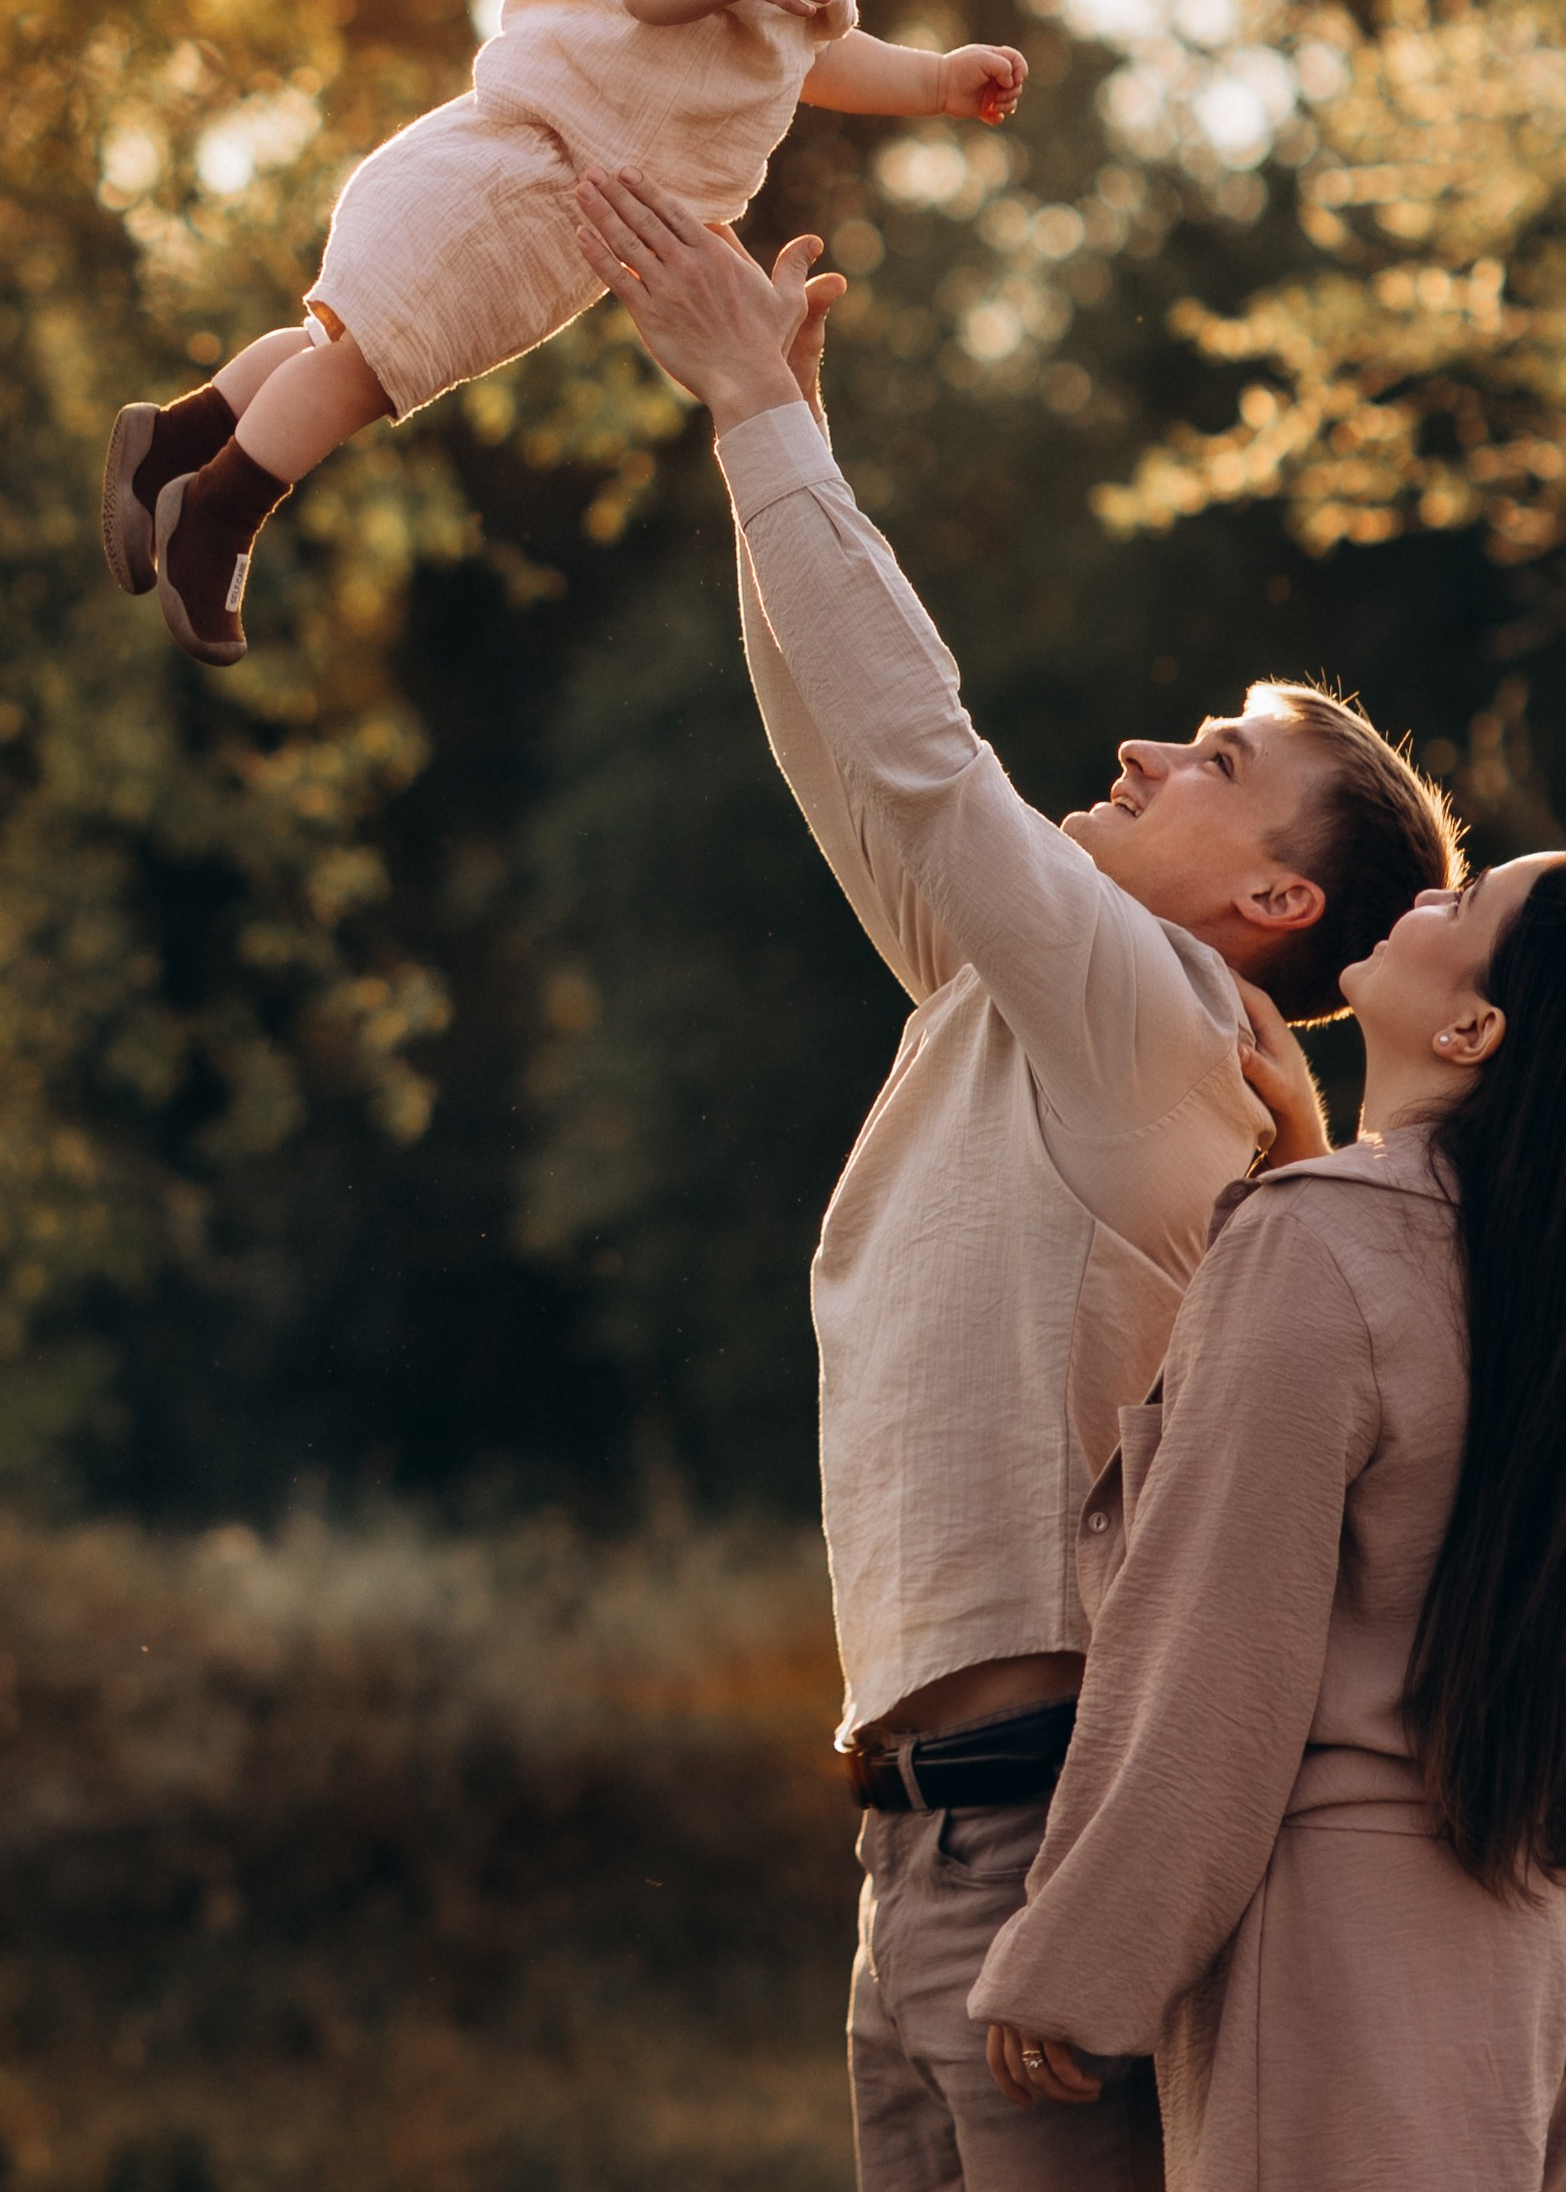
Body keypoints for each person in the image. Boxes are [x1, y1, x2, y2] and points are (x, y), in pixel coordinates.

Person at [569, 167, 1461, 2192]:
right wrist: (747, 439)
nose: (1147, 747)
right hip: (917, 1844)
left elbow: (920, 752)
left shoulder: (1146, 1010)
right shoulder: (1033, 992)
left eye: (1213, 760)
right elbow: (844, 753)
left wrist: (767, 424)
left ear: (1266, 899)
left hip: (1040, 1836)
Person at [969, 846, 1566, 2192]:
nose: (1423, 900)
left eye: (1466, 902)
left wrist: (1081, 1952)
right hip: (1556, 1931)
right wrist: (1306, 1161)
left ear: (1472, 1026)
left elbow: (1218, 1644)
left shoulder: (1317, 1243)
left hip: (1358, 1937)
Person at [99, 0, 1026, 663]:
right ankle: (216, 512)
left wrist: (940, 82)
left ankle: (173, 441)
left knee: (345, 347)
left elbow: (822, 59)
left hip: (550, 193)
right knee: (365, 370)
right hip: (526, 171)